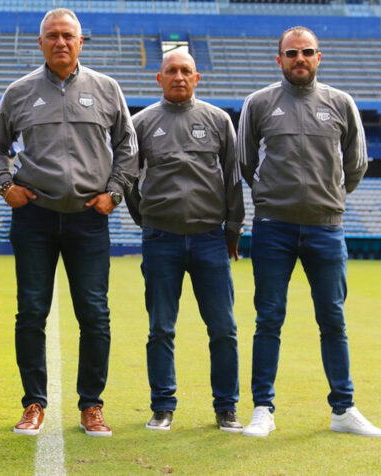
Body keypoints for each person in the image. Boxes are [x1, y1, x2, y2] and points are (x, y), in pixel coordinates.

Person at [0, 8, 137, 437]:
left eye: (68, 35)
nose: (61, 42)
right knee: (31, 312)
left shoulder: (107, 89)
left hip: (89, 217)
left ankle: (92, 405)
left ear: (81, 41)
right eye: (52, 36)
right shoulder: (18, 92)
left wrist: (116, 191)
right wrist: (3, 184)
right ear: (40, 43)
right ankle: (33, 403)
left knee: (95, 314)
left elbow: (128, 145)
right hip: (35, 217)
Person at [237, 26, 381, 438]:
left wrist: (328, 198)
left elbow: (356, 164)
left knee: (333, 320)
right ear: (279, 59)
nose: (299, 58)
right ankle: (263, 408)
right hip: (273, 228)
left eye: (306, 52)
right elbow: (245, 163)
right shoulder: (259, 103)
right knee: (268, 319)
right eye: (291, 53)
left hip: (326, 228)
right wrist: (275, 199)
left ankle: (344, 408)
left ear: (319, 56)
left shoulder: (341, 103)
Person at [126, 51, 244, 433]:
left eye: (186, 71)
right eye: (172, 71)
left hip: (210, 238)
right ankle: (163, 406)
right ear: (158, 78)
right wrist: (147, 221)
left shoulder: (218, 120)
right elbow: (127, 180)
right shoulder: (140, 123)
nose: (179, 77)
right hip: (161, 239)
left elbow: (233, 178)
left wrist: (233, 229)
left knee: (223, 328)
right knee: (161, 327)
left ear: (198, 78)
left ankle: (226, 407)